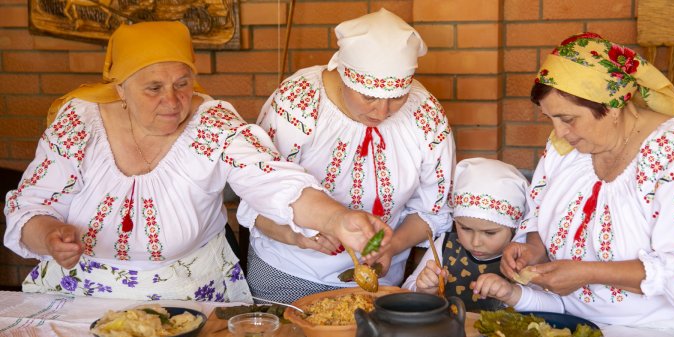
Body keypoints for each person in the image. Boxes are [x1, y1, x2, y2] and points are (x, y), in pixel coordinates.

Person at [3, 21, 389, 302]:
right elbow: (32, 205)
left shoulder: (212, 125)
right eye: (153, 88)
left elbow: (270, 179)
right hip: (78, 296)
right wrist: (50, 237)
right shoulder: (79, 122)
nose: (172, 102)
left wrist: (338, 219)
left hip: (191, 300)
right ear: (119, 86)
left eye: (183, 83)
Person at [473, 32, 674, 329]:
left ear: (612, 105)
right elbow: (540, 212)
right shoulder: (565, 149)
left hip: (664, 334)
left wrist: (587, 273)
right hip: (568, 320)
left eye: (567, 119)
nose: (560, 132)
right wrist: (533, 248)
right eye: (550, 119)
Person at [236, 9, 455, 303]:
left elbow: (431, 211)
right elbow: (255, 197)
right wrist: (296, 237)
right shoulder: (299, 102)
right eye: (369, 97)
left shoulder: (425, 116)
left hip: (377, 280)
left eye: (396, 98)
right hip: (287, 271)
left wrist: (391, 247)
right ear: (344, 76)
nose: (382, 112)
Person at [402, 158, 528, 311]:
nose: (475, 242)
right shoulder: (445, 245)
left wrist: (510, 294)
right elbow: (406, 290)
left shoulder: (523, 258)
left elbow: (541, 303)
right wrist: (422, 289)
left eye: (489, 233)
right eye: (465, 229)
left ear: (515, 227)